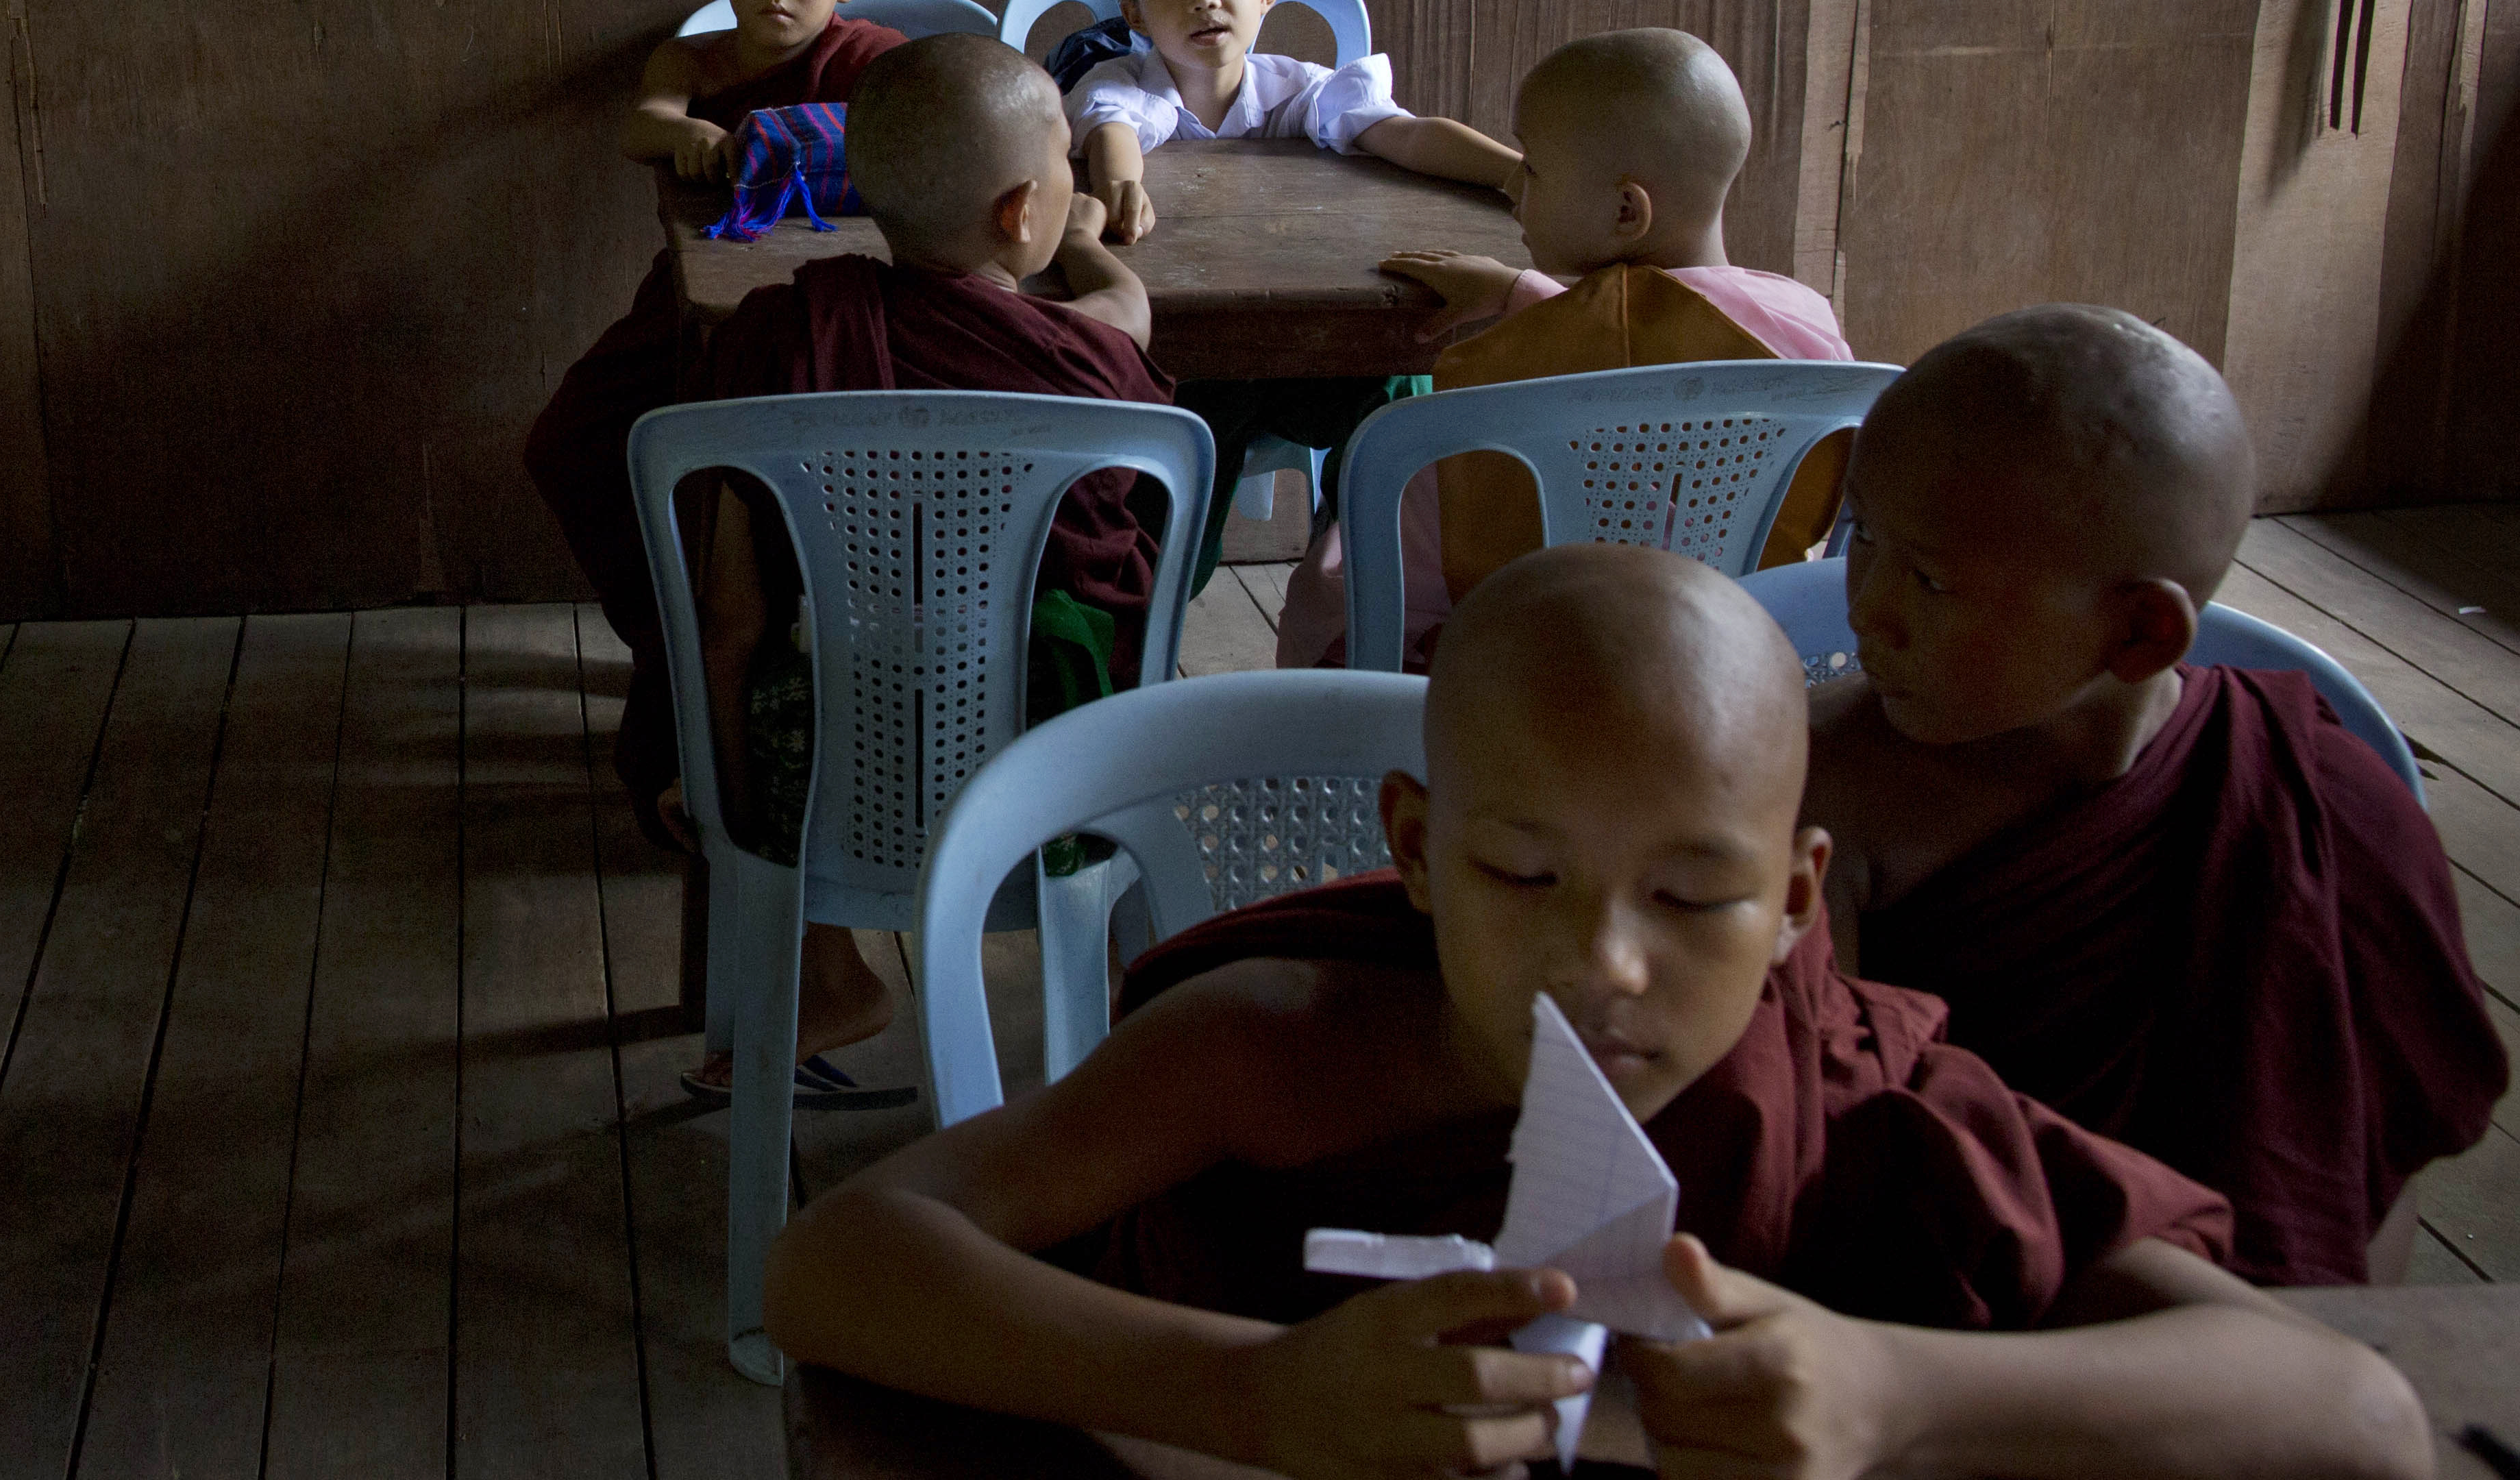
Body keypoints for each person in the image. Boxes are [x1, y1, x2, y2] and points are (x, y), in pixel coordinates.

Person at [763, 545, 2432, 1480]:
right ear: (1415, 850)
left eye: (1696, 895)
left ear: (1796, 899)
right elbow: (834, 1261)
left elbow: (2351, 1414)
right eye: (1521, 873)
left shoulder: (1867, 1099)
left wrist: (1899, 1393)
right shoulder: (1275, 1052)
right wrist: (1251, 1396)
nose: (1607, 962)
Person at [1808, 308, 2506, 1286]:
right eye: (1863, 536)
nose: (1863, 605)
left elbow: (2358, 1173)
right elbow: (1816, 1139)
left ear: (2137, 635)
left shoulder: (2316, 795)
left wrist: (2316, 1350)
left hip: (2242, 1357)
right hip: (1950, 1326)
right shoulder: (1826, 784)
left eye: (1926, 579)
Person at [682, 32, 1165, 1096]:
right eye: (1061, 175)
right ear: (1016, 211)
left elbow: (729, 622)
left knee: (799, 680)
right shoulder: (1077, 357)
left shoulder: (778, 335)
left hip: (821, 771)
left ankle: (824, 972)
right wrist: (1087, 244)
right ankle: (1137, 963)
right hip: (1048, 766)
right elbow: (1124, 322)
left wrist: (728, 805)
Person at [521, 0, 905, 824]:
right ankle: (667, 638)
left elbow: (926, 136)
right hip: (694, 309)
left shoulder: (877, 60)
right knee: (568, 441)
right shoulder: (694, 62)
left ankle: (706, 689)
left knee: (731, 499)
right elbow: (639, 124)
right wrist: (684, 132)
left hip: (836, 317)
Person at [1277, 27, 1849, 669]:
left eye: (1533, 169)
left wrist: (1523, 300)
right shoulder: (1806, 329)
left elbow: (1620, 345)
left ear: (1627, 213)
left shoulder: (1524, 365)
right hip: (1723, 649)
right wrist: (1520, 290)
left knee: (1328, 581)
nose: (1514, 189)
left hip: (1511, 661)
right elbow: (1652, 344)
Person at [1060, 0, 1513, 526]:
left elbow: (1404, 134)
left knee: (1399, 385)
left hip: (1310, 349)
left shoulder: (1300, 90)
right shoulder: (1120, 84)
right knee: (1180, 478)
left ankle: (1366, 555)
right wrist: (1119, 186)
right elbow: (1114, 131)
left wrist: (1517, 174)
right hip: (1183, 358)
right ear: (1133, 15)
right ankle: (1161, 587)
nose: (1204, 1)